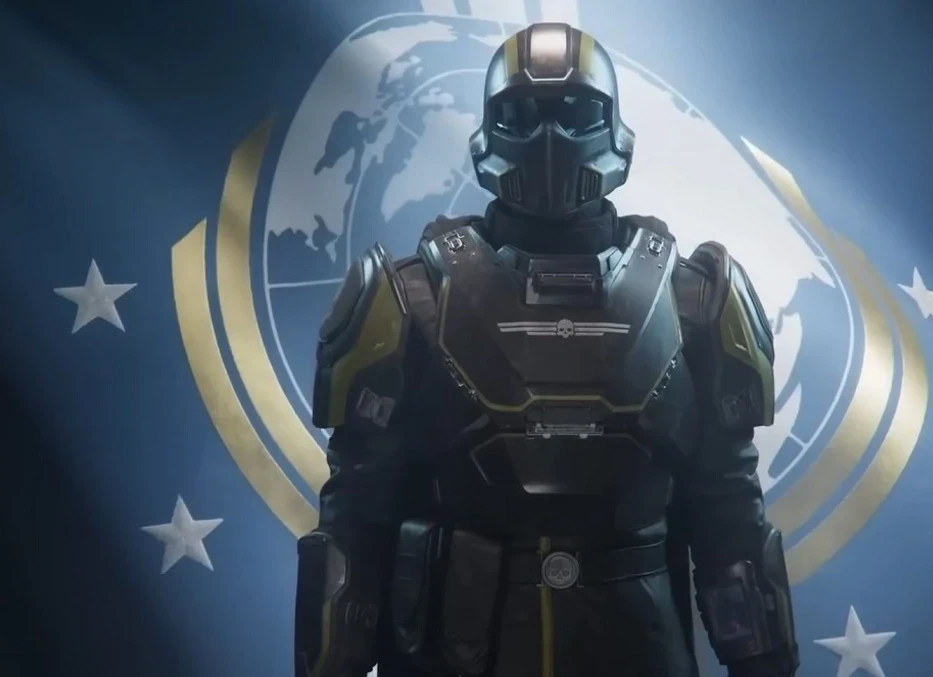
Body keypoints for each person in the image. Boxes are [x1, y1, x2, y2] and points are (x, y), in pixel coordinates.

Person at [295, 22, 799, 677]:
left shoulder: (694, 300)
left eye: (575, 113)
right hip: (459, 650)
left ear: (612, 125)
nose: (550, 138)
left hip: (637, 646)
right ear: (489, 130)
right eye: (523, 115)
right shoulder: (409, 298)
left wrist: (761, 663)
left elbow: (728, 518)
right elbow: (357, 521)